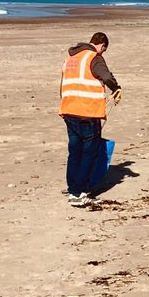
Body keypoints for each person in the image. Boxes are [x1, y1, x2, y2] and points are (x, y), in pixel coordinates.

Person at [59, 31, 123, 208]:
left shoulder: (70, 59)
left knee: (75, 151)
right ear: (102, 46)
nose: (102, 53)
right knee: (89, 152)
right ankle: (78, 193)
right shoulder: (94, 57)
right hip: (87, 112)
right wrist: (116, 88)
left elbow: (63, 85)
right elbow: (107, 76)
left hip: (68, 109)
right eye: (104, 50)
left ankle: (73, 187)